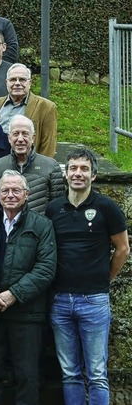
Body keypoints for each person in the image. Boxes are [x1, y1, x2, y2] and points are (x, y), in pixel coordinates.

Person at [46, 148, 130, 405]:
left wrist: (106, 279)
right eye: (73, 168)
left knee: (96, 373)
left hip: (94, 301)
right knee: (70, 373)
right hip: (60, 301)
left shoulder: (107, 207)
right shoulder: (53, 209)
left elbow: (123, 248)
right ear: (66, 174)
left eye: (84, 169)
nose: (78, 174)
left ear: (94, 175)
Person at [0, 170, 57, 404]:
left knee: (27, 376)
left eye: (16, 190)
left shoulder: (42, 225)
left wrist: (14, 294)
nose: (10, 194)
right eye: (5, 190)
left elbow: (46, 268)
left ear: (27, 194)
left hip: (26, 314)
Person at [0, 115, 64, 213]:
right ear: (9, 138)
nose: (20, 139)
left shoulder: (51, 166)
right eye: (15, 134)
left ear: (33, 138)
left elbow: (58, 206)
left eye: (25, 134)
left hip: (39, 226)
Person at [0, 63, 58, 158]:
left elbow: (48, 145)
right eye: (13, 79)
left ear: (30, 83)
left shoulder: (46, 107)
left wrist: (41, 168)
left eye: (22, 79)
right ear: (6, 83)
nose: (17, 83)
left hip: (29, 165)